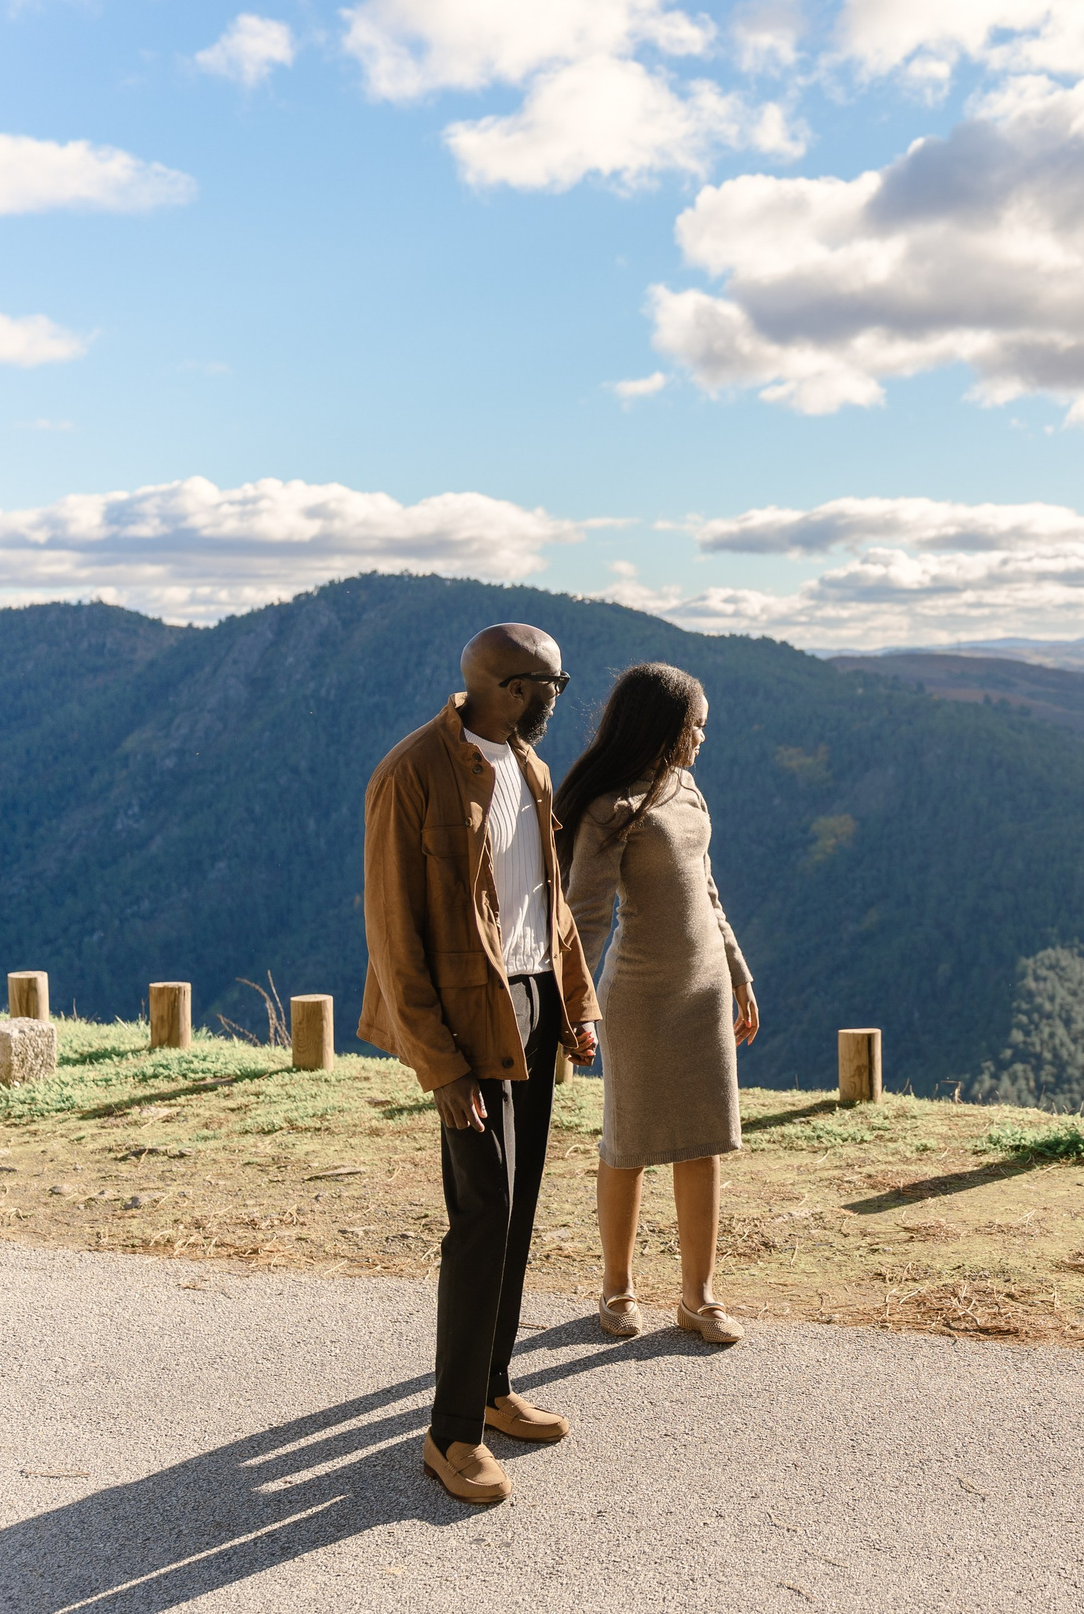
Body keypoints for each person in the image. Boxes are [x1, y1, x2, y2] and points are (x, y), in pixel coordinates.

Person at [359, 622, 602, 1507]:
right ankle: (451, 1431)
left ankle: (494, 1390)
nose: (558, 697)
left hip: (532, 1007)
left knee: (519, 1206)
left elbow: (552, 903)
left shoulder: (530, 771)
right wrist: (442, 1065)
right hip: (463, 1024)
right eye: (553, 683)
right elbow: (394, 937)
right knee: (481, 1217)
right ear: (508, 686)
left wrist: (575, 1005)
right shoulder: (412, 773)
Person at [555, 662, 760, 1345]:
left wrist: (736, 970)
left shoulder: (687, 789)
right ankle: (617, 1288)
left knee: (703, 1143)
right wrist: (575, 1007)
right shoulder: (609, 807)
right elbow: (582, 917)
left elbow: (707, 890)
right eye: (695, 726)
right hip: (638, 998)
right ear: (666, 728)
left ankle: (697, 1297)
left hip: (703, 995)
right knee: (629, 1144)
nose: (702, 738)